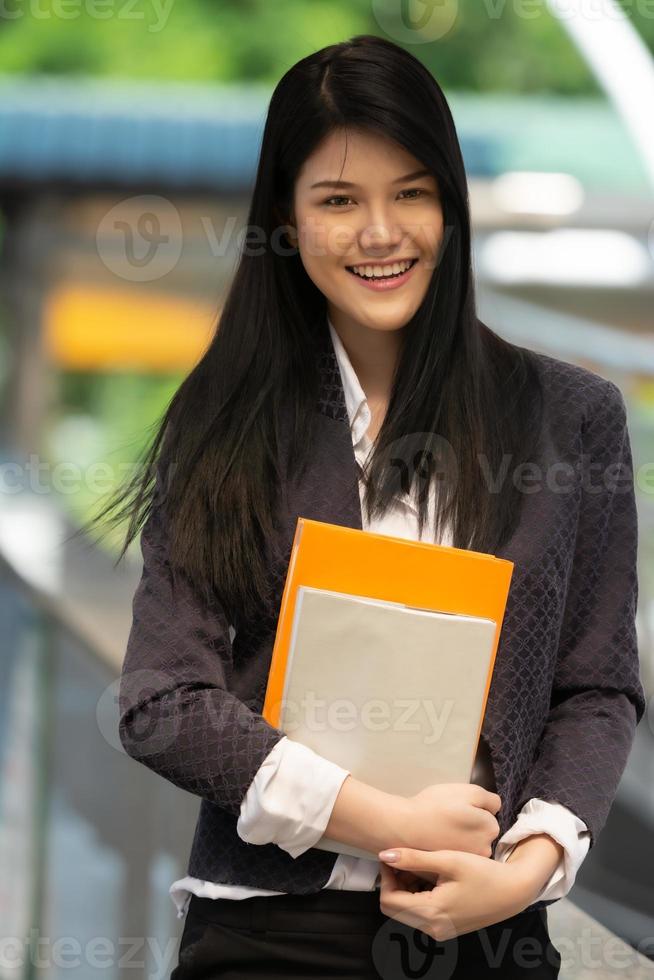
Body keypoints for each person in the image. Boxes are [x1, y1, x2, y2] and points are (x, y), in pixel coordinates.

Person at [100, 34, 645, 979]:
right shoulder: (225, 422)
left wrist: (527, 870)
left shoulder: (574, 419)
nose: (381, 233)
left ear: (452, 206)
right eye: (339, 200)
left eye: (412, 193)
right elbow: (161, 702)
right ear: (287, 217)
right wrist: (386, 818)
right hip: (268, 936)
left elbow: (595, 687)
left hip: (490, 935)